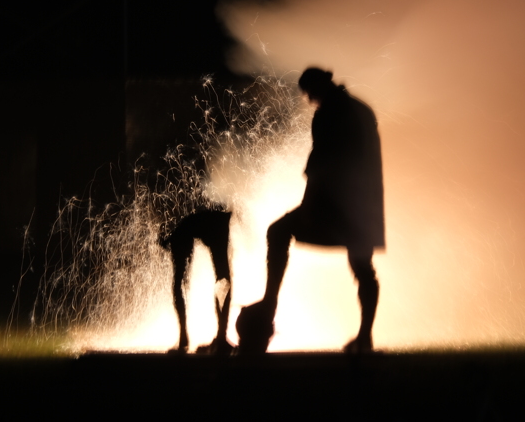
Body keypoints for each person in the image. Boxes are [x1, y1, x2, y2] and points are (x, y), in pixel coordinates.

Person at [237, 67, 384, 354]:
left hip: (336, 205)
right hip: (364, 206)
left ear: (318, 87)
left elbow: (320, 166)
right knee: (363, 269)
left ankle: (269, 306)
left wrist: (309, 207)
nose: (309, 100)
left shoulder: (330, 113)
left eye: (309, 93)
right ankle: (365, 336)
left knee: (278, 231)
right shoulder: (360, 110)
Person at [161, 209, 234, 355]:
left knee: (181, 281)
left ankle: (187, 338)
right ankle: (219, 336)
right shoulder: (219, 220)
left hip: (207, 221)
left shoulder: (183, 228)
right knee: (223, 278)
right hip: (213, 220)